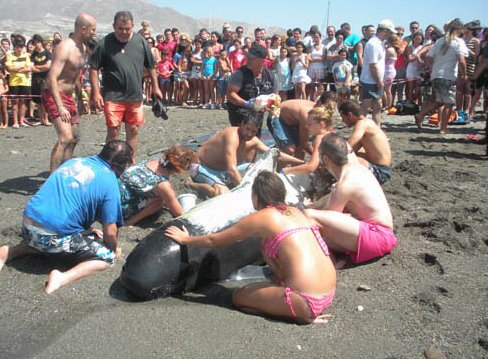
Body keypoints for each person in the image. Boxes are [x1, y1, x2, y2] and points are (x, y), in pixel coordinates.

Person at [166, 170, 336, 324]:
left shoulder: (261, 217)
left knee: (239, 297)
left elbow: (214, 240)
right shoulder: (296, 211)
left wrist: (186, 239)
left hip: (305, 301)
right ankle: (297, 308)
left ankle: (300, 316)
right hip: (328, 295)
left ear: (256, 196)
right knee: (270, 255)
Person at [0, 140, 133, 294]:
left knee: (47, 239)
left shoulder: (75, 161)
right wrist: (112, 251)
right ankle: (62, 277)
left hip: (28, 224)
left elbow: (66, 200)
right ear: (121, 165)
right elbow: (111, 232)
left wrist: (86, 230)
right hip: (51, 237)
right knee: (106, 258)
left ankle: (13, 251)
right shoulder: (110, 182)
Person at [304, 134, 397, 265]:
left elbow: (326, 225)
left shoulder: (343, 186)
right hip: (384, 234)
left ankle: (331, 262)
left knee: (310, 219)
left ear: (325, 158)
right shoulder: (357, 167)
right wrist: (313, 205)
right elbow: (333, 199)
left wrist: (307, 211)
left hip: (376, 238)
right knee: (313, 219)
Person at [89, 11, 162, 163]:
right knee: (113, 131)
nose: (123, 32)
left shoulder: (140, 41)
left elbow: (151, 66)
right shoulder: (104, 43)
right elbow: (94, 67)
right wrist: (96, 92)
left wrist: (156, 87)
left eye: (127, 29)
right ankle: (109, 163)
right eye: (120, 29)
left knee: (133, 130)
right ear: (114, 26)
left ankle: (130, 162)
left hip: (134, 94)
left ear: (132, 26)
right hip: (113, 95)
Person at [186, 113, 303, 197]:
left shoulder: (252, 139)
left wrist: (302, 163)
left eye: (253, 131)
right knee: (222, 193)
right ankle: (191, 184)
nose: (249, 134)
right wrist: (247, 192)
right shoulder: (232, 136)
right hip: (202, 166)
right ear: (241, 124)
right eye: (247, 129)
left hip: (222, 171)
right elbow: (231, 169)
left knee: (254, 167)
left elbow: (275, 154)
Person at [44, 12, 97, 172]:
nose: (94, 32)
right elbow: (52, 77)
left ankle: (64, 172)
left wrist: (81, 97)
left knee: (74, 138)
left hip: (70, 96)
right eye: (93, 29)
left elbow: (75, 76)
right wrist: (60, 106)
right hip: (55, 95)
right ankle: (53, 180)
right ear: (84, 29)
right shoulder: (64, 48)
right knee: (65, 138)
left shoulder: (82, 48)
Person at [414, 19, 468, 135]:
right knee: (449, 102)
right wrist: (464, 74)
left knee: (440, 101)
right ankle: (443, 128)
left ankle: (421, 114)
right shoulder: (458, 42)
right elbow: (461, 60)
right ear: (458, 30)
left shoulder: (439, 41)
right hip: (447, 76)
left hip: (436, 75)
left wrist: (434, 66)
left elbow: (428, 57)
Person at [119, 145, 197, 226]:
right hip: (121, 208)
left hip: (115, 194)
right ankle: (130, 221)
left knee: (163, 194)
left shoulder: (153, 161)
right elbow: (179, 213)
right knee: (160, 200)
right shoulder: (162, 183)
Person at [338, 100, 392, 184]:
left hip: (380, 171)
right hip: (383, 170)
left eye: (342, 117)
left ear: (350, 115)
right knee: (351, 155)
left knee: (342, 160)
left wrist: (333, 154)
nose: (342, 120)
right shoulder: (368, 122)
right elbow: (352, 150)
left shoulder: (362, 124)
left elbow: (349, 145)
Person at [226, 43, 275, 128]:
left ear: (262, 61)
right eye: (248, 57)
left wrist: (269, 104)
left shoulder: (270, 76)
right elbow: (230, 94)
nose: (248, 59)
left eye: (251, 58)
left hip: (257, 115)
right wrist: (247, 104)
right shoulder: (239, 74)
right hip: (239, 113)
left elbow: (275, 96)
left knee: (255, 137)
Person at [360, 20, 397, 126]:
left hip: (375, 79)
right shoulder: (374, 44)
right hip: (370, 80)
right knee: (366, 106)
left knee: (377, 106)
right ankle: (360, 130)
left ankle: (377, 130)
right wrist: (379, 82)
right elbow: (373, 66)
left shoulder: (379, 43)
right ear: (384, 31)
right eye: (390, 32)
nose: (391, 35)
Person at [4, 34, 32, 128]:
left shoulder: (26, 56)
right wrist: (21, 67)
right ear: (14, 47)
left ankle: (21, 120)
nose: (19, 49)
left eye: (21, 47)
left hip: (24, 82)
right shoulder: (9, 55)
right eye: (17, 47)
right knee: (14, 102)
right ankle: (15, 121)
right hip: (14, 82)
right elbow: (9, 68)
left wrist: (15, 68)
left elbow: (29, 68)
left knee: (23, 102)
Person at [29, 34, 52, 126]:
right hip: (35, 79)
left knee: (44, 100)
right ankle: (40, 119)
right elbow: (31, 67)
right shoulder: (33, 54)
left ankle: (46, 119)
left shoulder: (47, 53)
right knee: (37, 100)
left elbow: (47, 66)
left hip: (44, 79)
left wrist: (37, 67)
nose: (36, 45)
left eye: (38, 42)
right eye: (35, 43)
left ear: (41, 42)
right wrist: (39, 68)